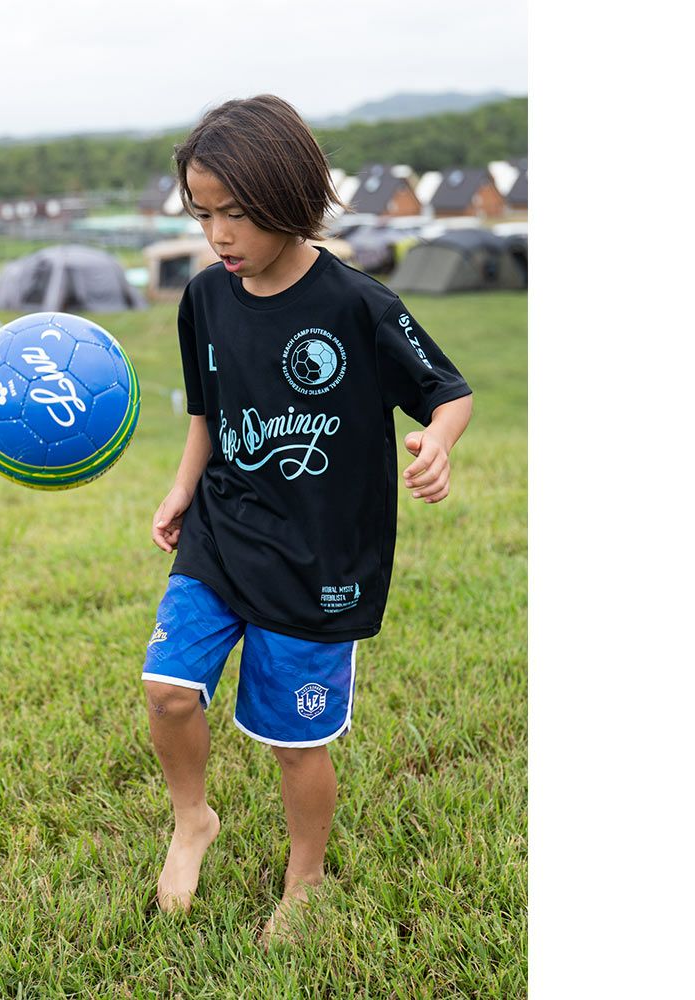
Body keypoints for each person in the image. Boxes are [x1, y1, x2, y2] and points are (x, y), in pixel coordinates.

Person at [141, 95, 473, 949]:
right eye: (202, 214)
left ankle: (308, 878)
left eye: (236, 213)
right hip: (222, 533)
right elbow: (207, 413)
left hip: (320, 559)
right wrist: (182, 489)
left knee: (295, 745)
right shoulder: (204, 298)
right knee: (168, 691)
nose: (217, 235)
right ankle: (192, 820)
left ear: (288, 196)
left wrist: (437, 442)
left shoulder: (357, 304)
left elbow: (449, 393)